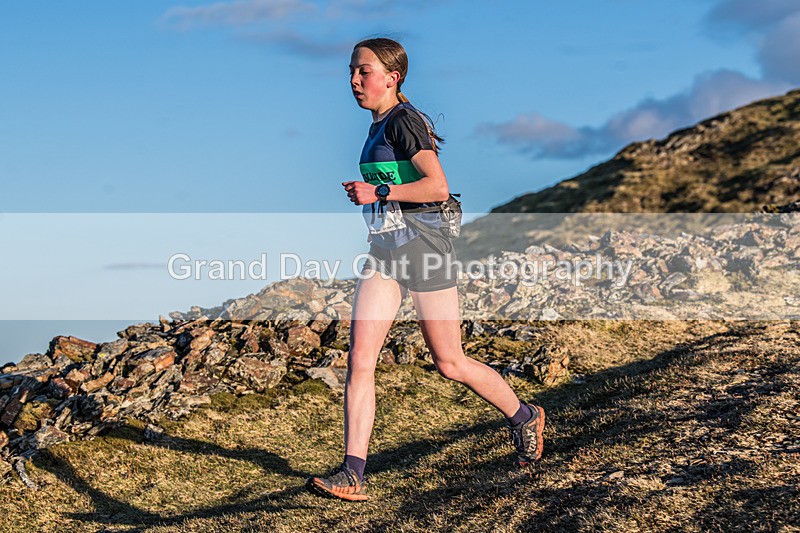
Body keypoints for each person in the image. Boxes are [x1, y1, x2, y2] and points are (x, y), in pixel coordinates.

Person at [306, 37, 545, 502]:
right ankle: (353, 473)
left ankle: (524, 416)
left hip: (426, 251)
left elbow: (437, 186)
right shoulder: (377, 126)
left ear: (392, 77)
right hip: (386, 255)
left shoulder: (404, 121)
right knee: (359, 360)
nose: (355, 80)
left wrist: (376, 193)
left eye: (364, 71)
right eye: (352, 71)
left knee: (450, 362)